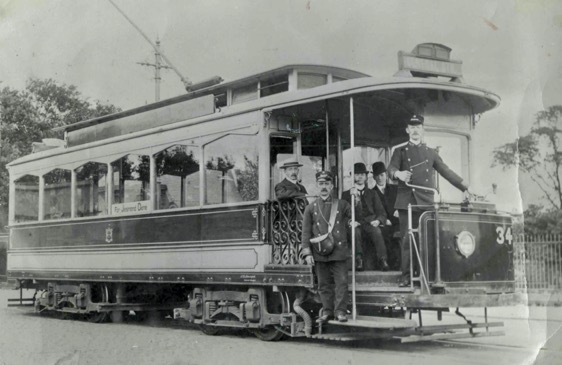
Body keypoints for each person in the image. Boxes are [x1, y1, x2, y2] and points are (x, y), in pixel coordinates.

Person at [388, 114, 471, 286]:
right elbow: (391, 168)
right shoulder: (400, 151)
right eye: (412, 127)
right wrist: (398, 174)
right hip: (407, 201)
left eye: (418, 127)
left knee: (427, 239)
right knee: (407, 239)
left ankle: (426, 275)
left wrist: (465, 187)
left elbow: (446, 171)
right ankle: (406, 276)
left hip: (425, 201)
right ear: (407, 130)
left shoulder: (430, 153)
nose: (415, 130)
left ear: (423, 129)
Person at [301, 171, 352, 323]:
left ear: (332, 186)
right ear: (317, 186)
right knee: (323, 284)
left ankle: (341, 311)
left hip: (338, 249)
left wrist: (357, 200)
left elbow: (354, 215)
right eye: (321, 184)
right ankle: (327, 311)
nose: (324, 187)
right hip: (320, 251)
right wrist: (307, 253)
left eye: (326, 184)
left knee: (341, 283)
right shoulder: (310, 208)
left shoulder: (342, 205)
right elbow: (306, 232)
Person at [342, 163, 390, 271]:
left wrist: (378, 221)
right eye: (357, 174)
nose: (360, 177)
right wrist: (350, 222)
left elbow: (382, 213)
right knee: (355, 232)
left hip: (370, 222)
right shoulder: (346, 194)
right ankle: (359, 260)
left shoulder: (372, 193)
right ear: (352, 176)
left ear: (366, 176)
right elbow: (342, 215)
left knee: (376, 231)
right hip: (355, 223)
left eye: (362, 174)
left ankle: (383, 260)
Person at [371, 161, 400, 270]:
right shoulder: (371, 193)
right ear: (374, 177)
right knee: (383, 234)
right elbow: (372, 211)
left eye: (382, 175)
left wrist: (398, 210)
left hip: (397, 222)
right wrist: (383, 220)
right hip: (383, 224)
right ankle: (386, 264)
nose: (380, 178)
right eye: (377, 175)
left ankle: (400, 265)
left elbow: (402, 203)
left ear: (386, 175)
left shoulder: (395, 189)